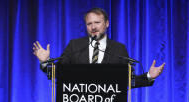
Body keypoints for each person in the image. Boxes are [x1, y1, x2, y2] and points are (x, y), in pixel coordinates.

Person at [33, 7, 165, 87]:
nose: (93, 27)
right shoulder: (75, 46)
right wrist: (45, 62)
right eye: (89, 23)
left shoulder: (119, 49)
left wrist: (148, 76)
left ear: (106, 23)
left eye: (97, 22)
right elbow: (59, 73)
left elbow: (127, 81)